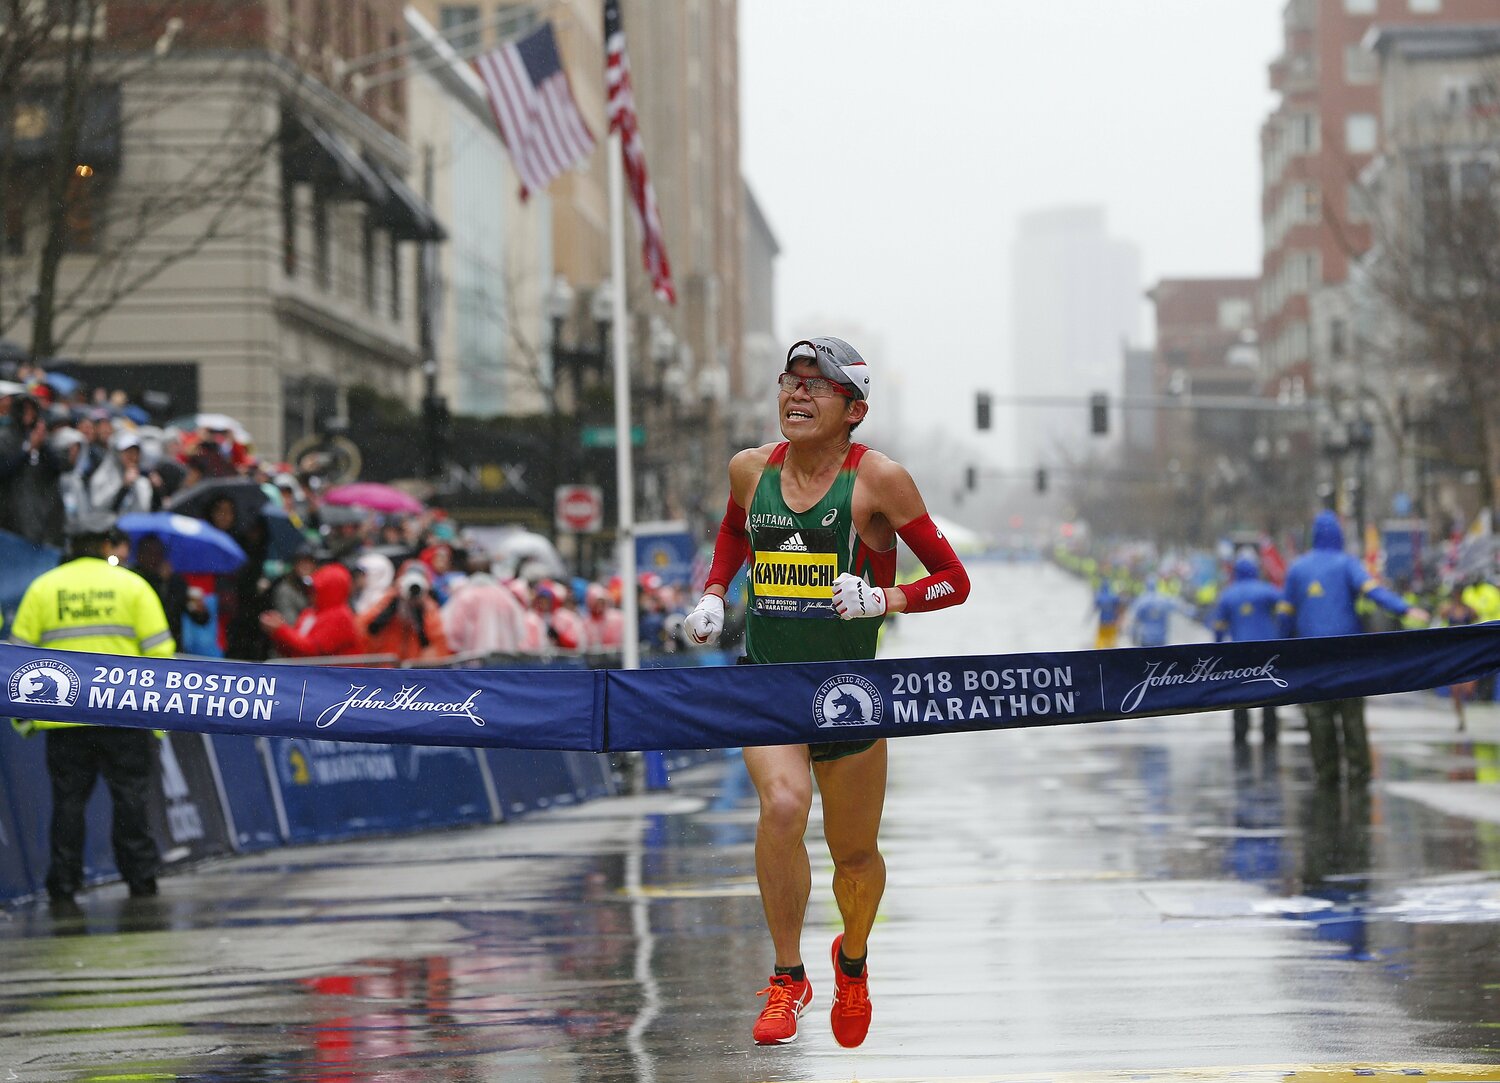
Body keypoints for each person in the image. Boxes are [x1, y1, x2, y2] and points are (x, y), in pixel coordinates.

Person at [681, 337, 970, 1048]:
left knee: (855, 855)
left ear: (854, 410)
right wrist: (717, 591)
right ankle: (788, 976)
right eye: (790, 382)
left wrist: (885, 599)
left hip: (850, 692)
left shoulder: (881, 481)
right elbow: (731, 527)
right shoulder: (751, 469)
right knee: (782, 804)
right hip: (769, 683)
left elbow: (953, 580)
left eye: (817, 387)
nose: (797, 395)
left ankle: (852, 960)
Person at [8, 513, 177, 905]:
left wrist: (26, 716)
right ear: (106, 544)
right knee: (130, 799)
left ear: (70, 545)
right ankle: (141, 879)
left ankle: (64, 885)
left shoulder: (44, 589)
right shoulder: (132, 586)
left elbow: (17, 656)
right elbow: (161, 653)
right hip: (123, 713)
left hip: (64, 716)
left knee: (68, 804)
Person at [1279, 511, 1429, 787]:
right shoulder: (1346, 563)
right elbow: (1374, 591)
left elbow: (1285, 616)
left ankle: (1326, 777)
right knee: (1352, 718)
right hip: (1347, 658)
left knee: (1318, 718)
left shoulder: (1297, 569)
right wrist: (1406, 609)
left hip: (1312, 661)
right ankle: (1359, 776)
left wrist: (1282, 654)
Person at [1212, 554, 1284, 745]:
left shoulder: (1228, 594)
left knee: (1240, 694)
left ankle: (1240, 733)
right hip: (1267, 650)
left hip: (1239, 652)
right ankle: (1270, 733)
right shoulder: (1266, 591)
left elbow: (1219, 627)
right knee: (1270, 691)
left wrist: (1218, 650)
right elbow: (1285, 608)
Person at [260, 562, 364, 659]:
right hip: (312, 676)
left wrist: (280, 630)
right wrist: (276, 633)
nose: (311, 592)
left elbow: (313, 651)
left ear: (329, 589)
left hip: (335, 677)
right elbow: (294, 652)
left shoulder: (341, 617)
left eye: (316, 588)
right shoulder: (309, 613)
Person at [1437, 584, 1480, 731]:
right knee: (1455, 690)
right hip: (1453, 652)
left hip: (1468, 650)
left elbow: (1477, 621)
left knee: (1468, 690)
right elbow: (1440, 619)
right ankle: (1461, 718)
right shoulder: (1447, 609)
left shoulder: (1470, 610)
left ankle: (1465, 710)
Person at [1125, 575, 1193, 648]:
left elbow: (1135, 620)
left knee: (1147, 658)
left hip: (1146, 638)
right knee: (1161, 658)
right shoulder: (1163, 599)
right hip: (1161, 638)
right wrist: (1191, 611)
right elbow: (1179, 606)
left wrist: (1133, 636)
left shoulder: (1141, 601)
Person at [1091, 574, 1124, 649]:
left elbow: (1094, 609)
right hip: (1112, 622)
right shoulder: (1114, 596)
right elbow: (1119, 609)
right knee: (1112, 643)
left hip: (1103, 622)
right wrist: (1119, 620)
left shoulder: (1100, 596)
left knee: (1100, 643)